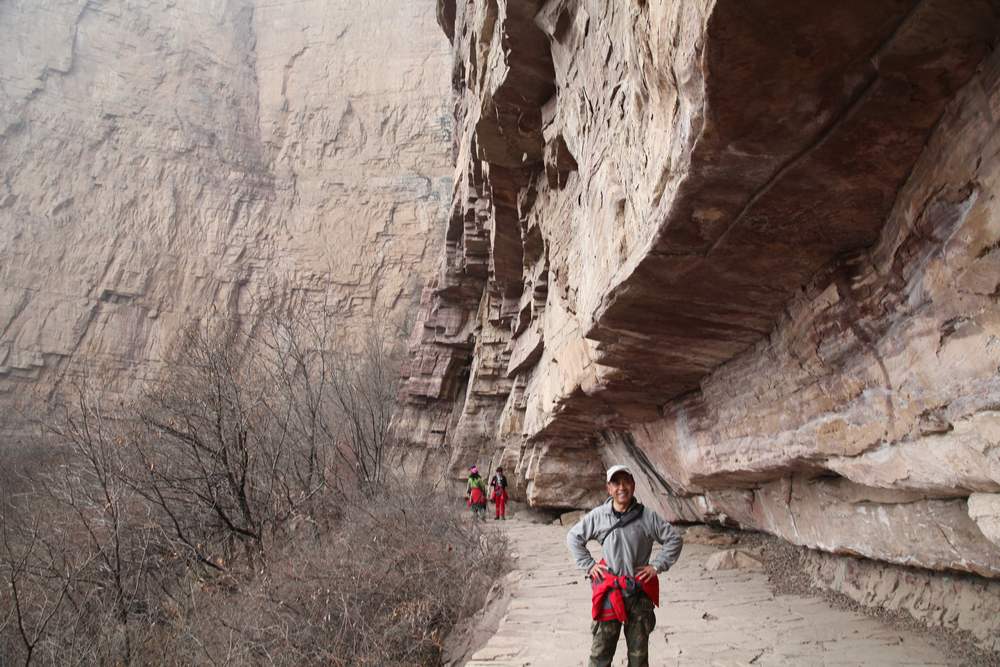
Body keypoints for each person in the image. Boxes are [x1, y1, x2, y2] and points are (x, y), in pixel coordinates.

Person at [566, 464, 683, 667]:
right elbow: (574, 537)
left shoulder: (647, 516)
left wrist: (656, 565)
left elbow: (674, 539)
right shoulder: (599, 515)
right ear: (609, 488)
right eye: (616, 483)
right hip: (610, 593)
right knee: (600, 656)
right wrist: (589, 565)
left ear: (633, 485)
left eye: (626, 481)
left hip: (638, 593)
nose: (622, 487)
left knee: (638, 659)